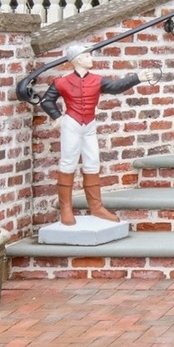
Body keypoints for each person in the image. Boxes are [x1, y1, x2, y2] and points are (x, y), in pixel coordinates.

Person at [38, 43, 144, 226]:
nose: (91, 59)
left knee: (92, 161)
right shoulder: (62, 82)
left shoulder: (97, 80)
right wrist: (57, 117)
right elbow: (47, 100)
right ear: (78, 59)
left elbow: (115, 86)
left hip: (89, 125)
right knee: (68, 162)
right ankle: (66, 209)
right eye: (87, 56)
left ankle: (96, 206)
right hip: (72, 123)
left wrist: (137, 78)